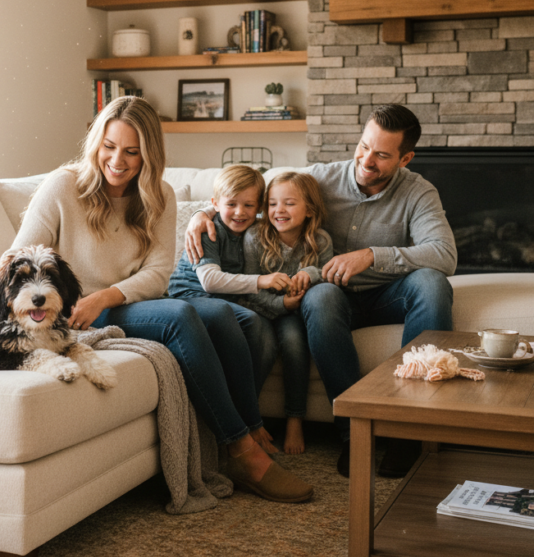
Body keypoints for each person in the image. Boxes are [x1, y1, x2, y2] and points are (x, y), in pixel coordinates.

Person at [0, 96, 313, 502]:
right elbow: (21, 250)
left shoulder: (160, 195)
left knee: (223, 316)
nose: (118, 160)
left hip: (121, 302)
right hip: (75, 310)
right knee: (181, 316)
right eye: (109, 147)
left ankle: (245, 431)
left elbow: (157, 274)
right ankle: (243, 451)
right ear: (96, 143)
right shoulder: (63, 185)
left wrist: (106, 297)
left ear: (148, 154)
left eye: (132, 152)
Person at [185, 104, 457, 478]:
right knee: (321, 294)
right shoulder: (321, 178)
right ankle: (351, 432)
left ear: (405, 158)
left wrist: (371, 256)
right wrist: (203, 214)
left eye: (381, 154)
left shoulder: (418, 192)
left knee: (433, 283)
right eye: (364, 146)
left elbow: (444, 254)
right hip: (330, 296)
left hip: (386, 293)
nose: (366, 160)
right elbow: (253, 194)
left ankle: (407, 431)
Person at [166, 164, 290, 453]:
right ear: (214, 204)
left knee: (268, 337)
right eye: (231, 204)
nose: (239, 212)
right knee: (252, 322)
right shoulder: (210, 230)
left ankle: (242, 416)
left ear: (259, 207)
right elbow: (209, 281)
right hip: (189, 297)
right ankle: (252, 423)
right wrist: (263, 281)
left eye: (249, 205)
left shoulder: (254, 232)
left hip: (224, 302)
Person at [237, 171, 333, 455]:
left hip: (295, 315)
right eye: (272, 204)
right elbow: (248, 288)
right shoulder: (255, 237)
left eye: (289, 203)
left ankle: (295, 419)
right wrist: (281, 305)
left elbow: (329, 276)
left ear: (309, 210)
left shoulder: (321, 240)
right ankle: (247, 422)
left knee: (294, 343)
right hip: (261, 310)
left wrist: (310, 273)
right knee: (260, 348)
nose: (279, 211)